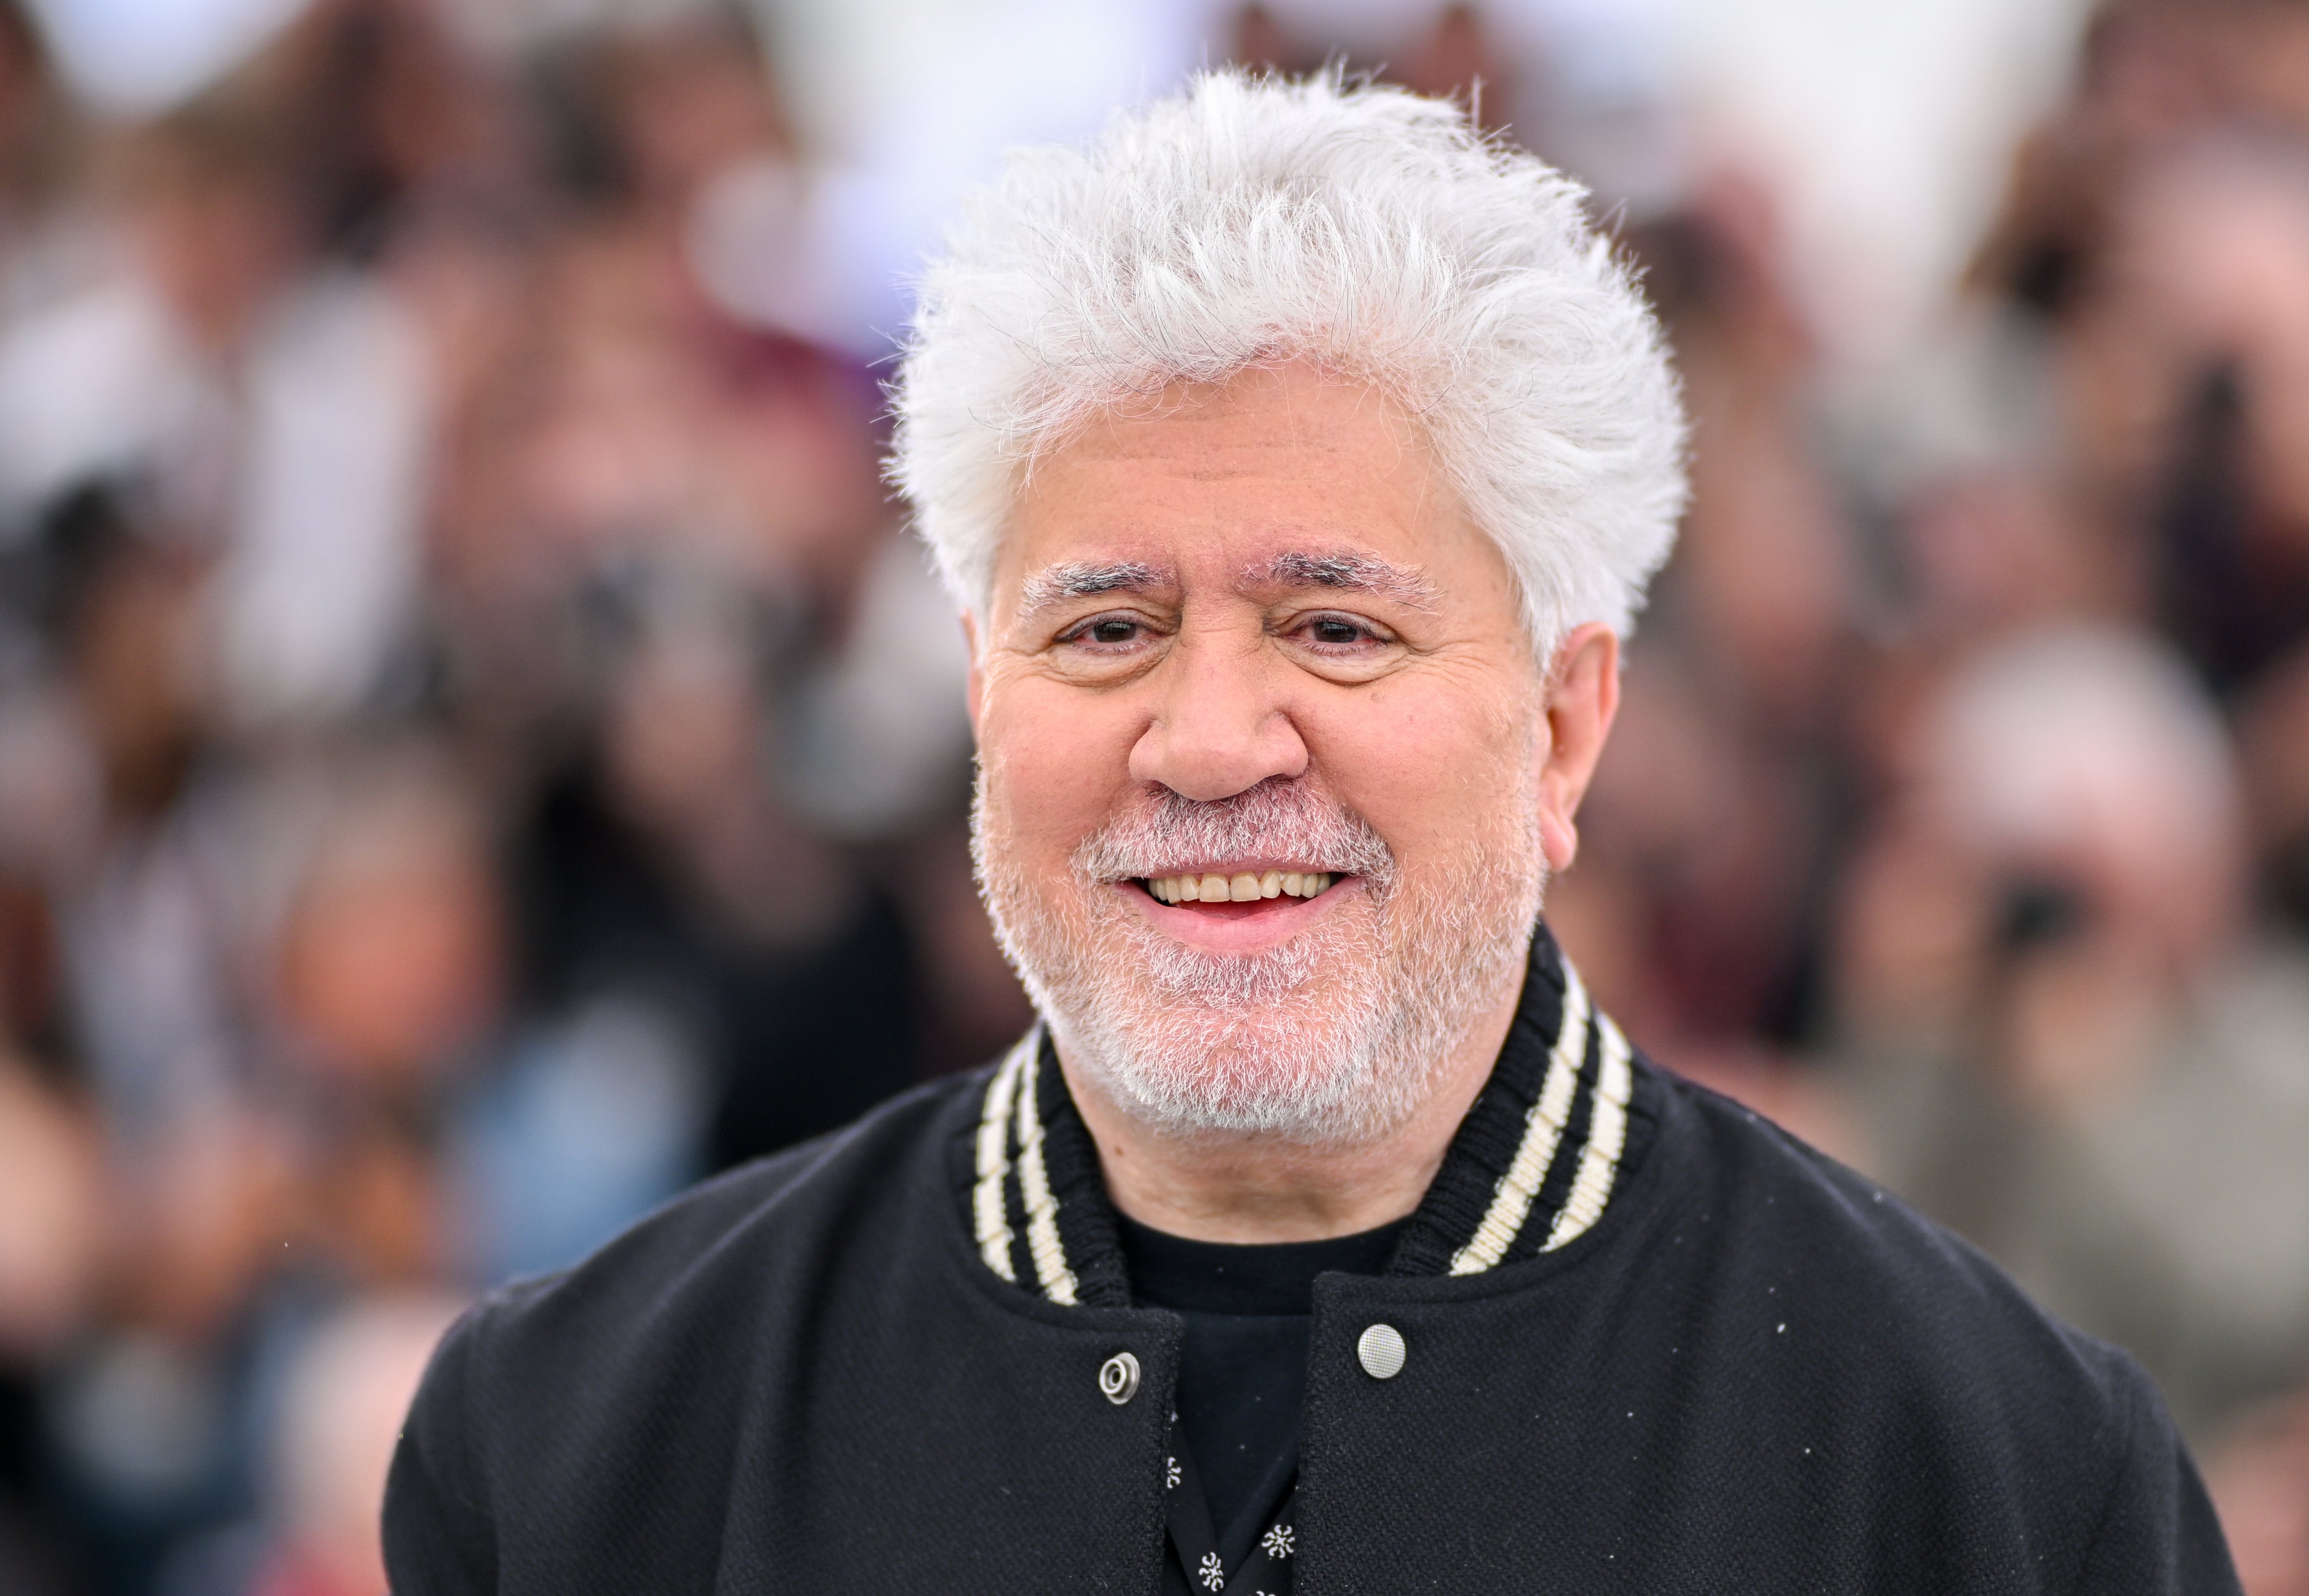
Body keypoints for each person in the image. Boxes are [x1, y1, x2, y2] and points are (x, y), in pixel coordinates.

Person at [381, 72, 2238, 1594]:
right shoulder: (581, 1446)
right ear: (975, 691)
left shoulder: (1993, 1475)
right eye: (1104, 628)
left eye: (1333, 626)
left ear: (1564, 721)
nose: (1204, 742)